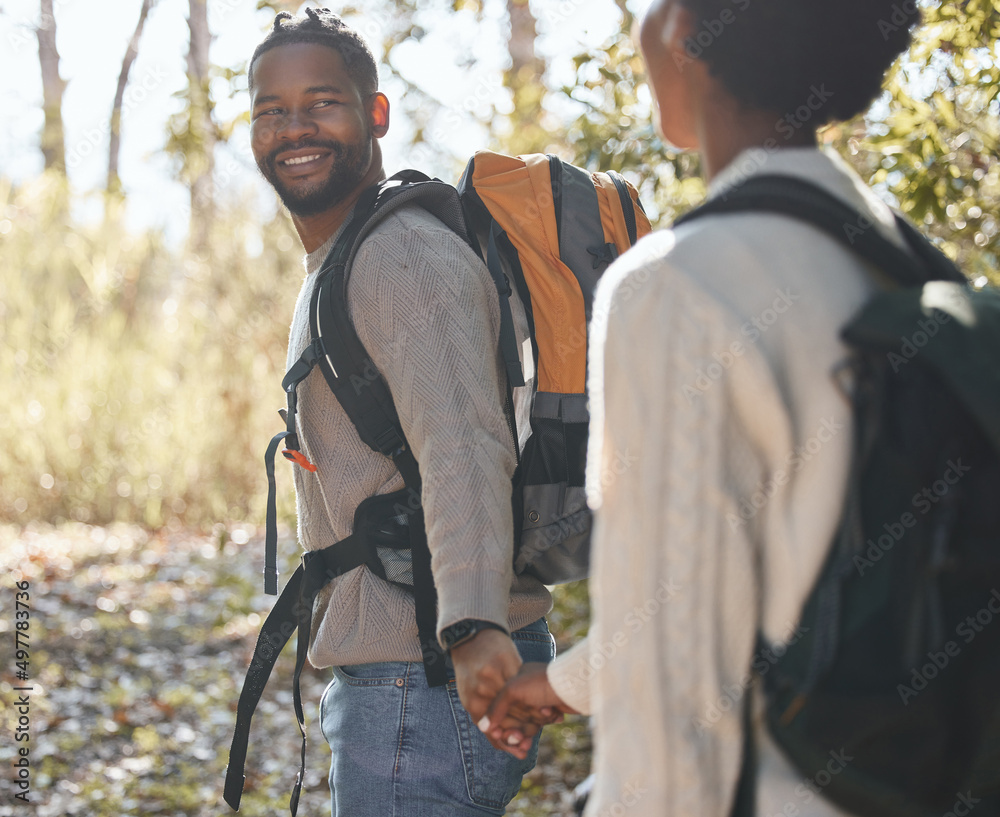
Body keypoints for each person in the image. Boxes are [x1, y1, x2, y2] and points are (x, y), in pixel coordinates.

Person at [482, 1, 922, 815]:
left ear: (687, 31)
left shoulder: (675, 287)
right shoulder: (902, 255)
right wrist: (568, 682)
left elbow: (673, 664)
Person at [247, 8, 553, 815]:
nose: (295, 127)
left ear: (375, 113)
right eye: (271, 110)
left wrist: (474, 625)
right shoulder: (344, 256)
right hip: (400, 683)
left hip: (425, 685)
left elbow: (464, 445)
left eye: (322, 102)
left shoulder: (402, 256)